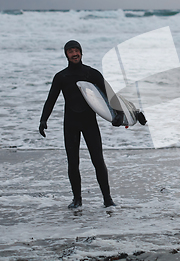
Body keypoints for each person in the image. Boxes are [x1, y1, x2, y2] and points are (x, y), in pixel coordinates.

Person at [39, 40, 145, 209]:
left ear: (81, 52)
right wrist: (43, 119)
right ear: (66, 54)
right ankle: (77, 199)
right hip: (70, 124)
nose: (74, 54)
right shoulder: (61, 77)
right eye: (71, 51)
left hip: (89, 123)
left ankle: (107, 199)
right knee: (73, 163)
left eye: (77, 50)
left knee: (98, 160)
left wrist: (118, 114)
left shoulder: (92, 74)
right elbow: (51, 99)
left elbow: (110, 95)